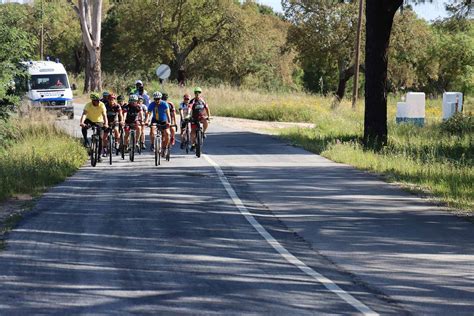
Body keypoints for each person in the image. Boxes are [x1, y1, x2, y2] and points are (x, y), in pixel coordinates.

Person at [80, 93, 109, 162]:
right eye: (95, 100)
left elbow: (104, 115)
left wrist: (106, 124)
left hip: (99, 121)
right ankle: (86, 140)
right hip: (89, 120)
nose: (97, 102)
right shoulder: (88, 105)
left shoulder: (102, 105)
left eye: (98, 100)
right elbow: (84, 114)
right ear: (92, 100)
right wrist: (82, 122)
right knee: (84, 127)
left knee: (101, 138)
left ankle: (99, 156)